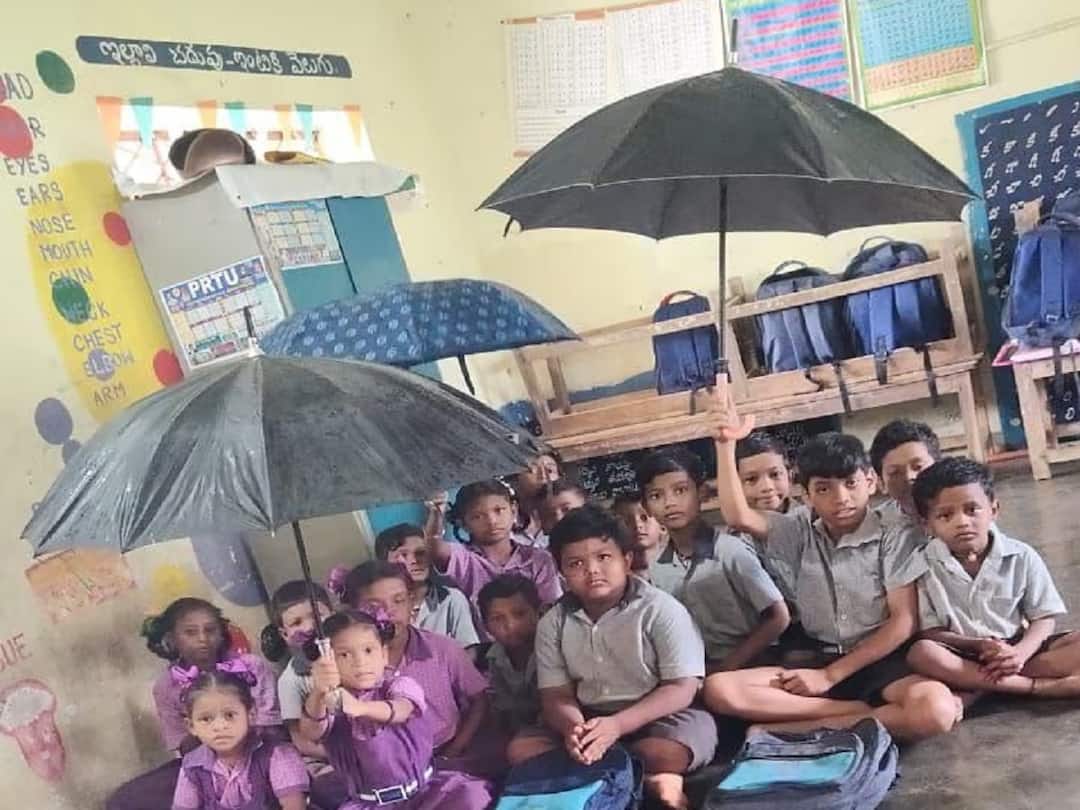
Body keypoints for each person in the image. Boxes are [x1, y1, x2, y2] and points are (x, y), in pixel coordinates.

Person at [703, 390, 960, 742]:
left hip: (878, 660)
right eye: (824, 489)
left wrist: (831, 678)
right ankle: (855, 715)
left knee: (936, 710)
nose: (841, 499)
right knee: (719, 689)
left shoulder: (893, 532)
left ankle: (799, 728)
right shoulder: (796, 527)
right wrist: (724, 443)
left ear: (870, 481)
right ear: (806, 494)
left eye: (851, 484)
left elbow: (903, 622)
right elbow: (737, 515)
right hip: (815, 657)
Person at [508, 505, 717, 810]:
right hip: (588, 715)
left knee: (667, 752)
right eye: (576, 563)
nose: (592, 570)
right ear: (562, 573)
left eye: (603, 557)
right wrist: (575, 730)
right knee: (521, 750)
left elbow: (681, 687)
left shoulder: (661, 609)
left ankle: (615, 772)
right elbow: (555, 694)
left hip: (657, 716)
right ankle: (648, 779)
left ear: (627, 560)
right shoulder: (553, 622)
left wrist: (616, 727)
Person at [907, 457, 1080, 697]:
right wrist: (978, 645)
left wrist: (1019, 653)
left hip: (1017, 648)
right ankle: (1036, 686)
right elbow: (931, 632)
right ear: (927, 524)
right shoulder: (922, 565)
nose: (963, 522)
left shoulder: (1021, 555)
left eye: (972, 510)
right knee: (922, 653)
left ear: (993, 510)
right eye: (946, 516)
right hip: (960, 651)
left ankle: (980, 685)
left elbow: (1044, 617)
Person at [300, 608, 493, 809]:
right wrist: (319, 693)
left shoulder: (400, 684)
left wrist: (360, 708)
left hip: (426, 793)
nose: (360, 662)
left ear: (383, 654)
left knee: (472, 798)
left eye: (368, 650)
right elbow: (312, 731)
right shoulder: (330, 702)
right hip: (368, 803)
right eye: (344, 655)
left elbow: (401, 709)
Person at [107, 598, 282, 810]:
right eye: (190, 633)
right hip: (204, 761)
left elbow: (271, 729)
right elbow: (183, 747)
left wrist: (231, 731)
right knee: (125, 799)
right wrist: (199, 714)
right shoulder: (167, 686)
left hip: (258, 754)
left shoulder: (250, 667)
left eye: (210, 630)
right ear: (171, 639)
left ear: (222, 633)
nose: (202, 639)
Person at [341, 561, 496, 777]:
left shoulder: (442, 649)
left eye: (398, 601)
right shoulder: (345, 664)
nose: (389, 613)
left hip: (446, 753)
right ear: (354, 611)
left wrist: (455, 750)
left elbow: (479, 700)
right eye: (374, 606)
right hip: (386, 768)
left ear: (411, 601)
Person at [172, 666, 308, 810]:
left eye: (230, 715)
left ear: (251, 714)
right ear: (191, 726)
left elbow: (295, 807)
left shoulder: (277, 756)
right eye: (206, 719)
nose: (219, 726)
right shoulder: (192, 766)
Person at [260, 581, 344, 809]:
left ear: (333, 616)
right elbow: (303, 742)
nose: (309, 627)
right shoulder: (290, 681)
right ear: (284, 634)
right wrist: (347, 756)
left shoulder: (351, 660)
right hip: (326, 759)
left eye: (316, 616)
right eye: (296, 622)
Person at [429, 481, 562, 611]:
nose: (492, 521)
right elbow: (434, 547)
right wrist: (436, 513)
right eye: (478, 516)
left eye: (499, 510)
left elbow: (552, 610)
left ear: (514, 511)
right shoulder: (465, 559)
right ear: (463, 523)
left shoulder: (537, 559)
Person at [375, 522, 481, 648]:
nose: (415, 561)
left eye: (421, 553)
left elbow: (469, 650)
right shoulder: (379, 608)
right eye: (403, 555)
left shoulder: (451, 599)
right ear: (384, 563)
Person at [477, 574, 542, 734]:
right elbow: (505, 707)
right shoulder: (495, 657)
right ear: (486, 626)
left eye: (520, 614)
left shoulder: (553, 650)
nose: (510, 625)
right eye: (497, 618)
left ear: (539, 613)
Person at [869, 419, 942, 533]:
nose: (909, 477)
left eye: (918, 466)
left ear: (939, 466)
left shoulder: (965, 511)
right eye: (895, 472)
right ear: (881, 483)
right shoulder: (875, 528)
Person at [511, 452, 563, 547]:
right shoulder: (505, 521)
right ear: (515, 479)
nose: (543, 476)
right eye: (531, 470)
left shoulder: (565, 520)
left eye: (550, 470)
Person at [612, 490, 666, 575]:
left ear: (663, 526)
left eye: (644, 518)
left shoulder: (682, 571)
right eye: (627, 520)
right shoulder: (616, 577)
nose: (637, 525)